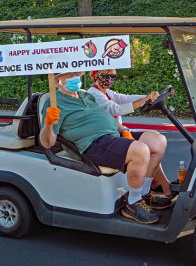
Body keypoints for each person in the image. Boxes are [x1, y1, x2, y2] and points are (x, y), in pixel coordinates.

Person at [40, 72, 171, 224]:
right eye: (71, 75)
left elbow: (103, 115)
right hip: (91, 143)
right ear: (58, 80)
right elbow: (47, 143)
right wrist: (49, 124)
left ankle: (143, 193)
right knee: (140, 150)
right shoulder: (53, 103)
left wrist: (122, 129)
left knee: (158, 141)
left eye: (77, 74)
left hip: (112, 135)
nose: (76, 77)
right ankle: (133, 203)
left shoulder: (85, 95)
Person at [87, 69, 175, 199]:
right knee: (149, 146)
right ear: (94, 75)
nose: (109, 79)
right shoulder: (93, 94)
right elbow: (116, 109)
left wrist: (151, 97)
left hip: (119, 131)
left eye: (112, 76)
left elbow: (125, 98)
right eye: (105, 75)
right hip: (110, 136)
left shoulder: (107, 92)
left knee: (157, 140)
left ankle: (147, 189)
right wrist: (145, 99)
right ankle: (143, 193)